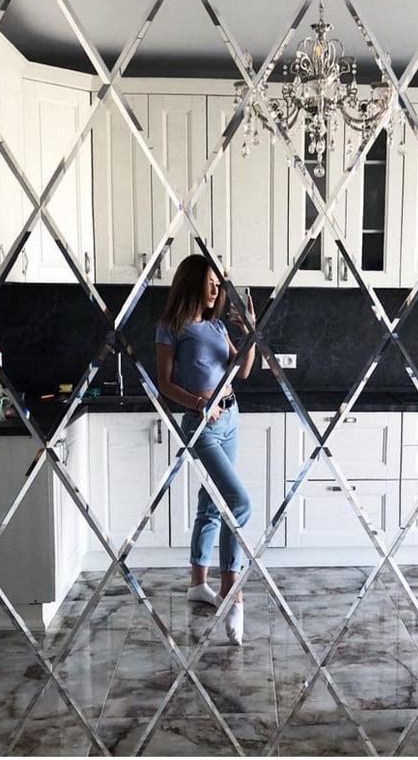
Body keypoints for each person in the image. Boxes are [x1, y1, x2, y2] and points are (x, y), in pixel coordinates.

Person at [155, 254, 256, 645]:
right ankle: (232, 591)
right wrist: (199, 404)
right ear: (193, 282)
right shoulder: (171, 327)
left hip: (231, 417)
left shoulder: (216, 325)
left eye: (218, 283)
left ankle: (198, 583)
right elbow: (165, 384)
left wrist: (249, 333)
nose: (217, 288)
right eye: (211, 281)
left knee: (212, 501)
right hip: (202, 426)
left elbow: (242, 370)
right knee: (238, 502)